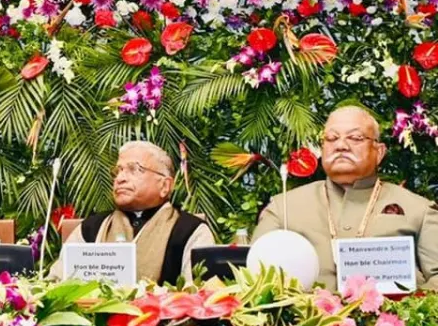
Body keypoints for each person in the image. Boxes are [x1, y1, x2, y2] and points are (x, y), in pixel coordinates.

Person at [253, 105, 438, 290]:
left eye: (355, 138)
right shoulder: (283, 207)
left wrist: (409, 304)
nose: (341, 146)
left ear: (379, 152)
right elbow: (254, 279)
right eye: (331, 138)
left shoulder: (419, 210)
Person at [54, 141, 214, 284]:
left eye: (134, 169)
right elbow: (55, 284)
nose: (120, 178)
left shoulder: (191, 231)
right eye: (118, 171)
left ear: (165, 186)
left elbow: (202, 295)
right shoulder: (90, 229)